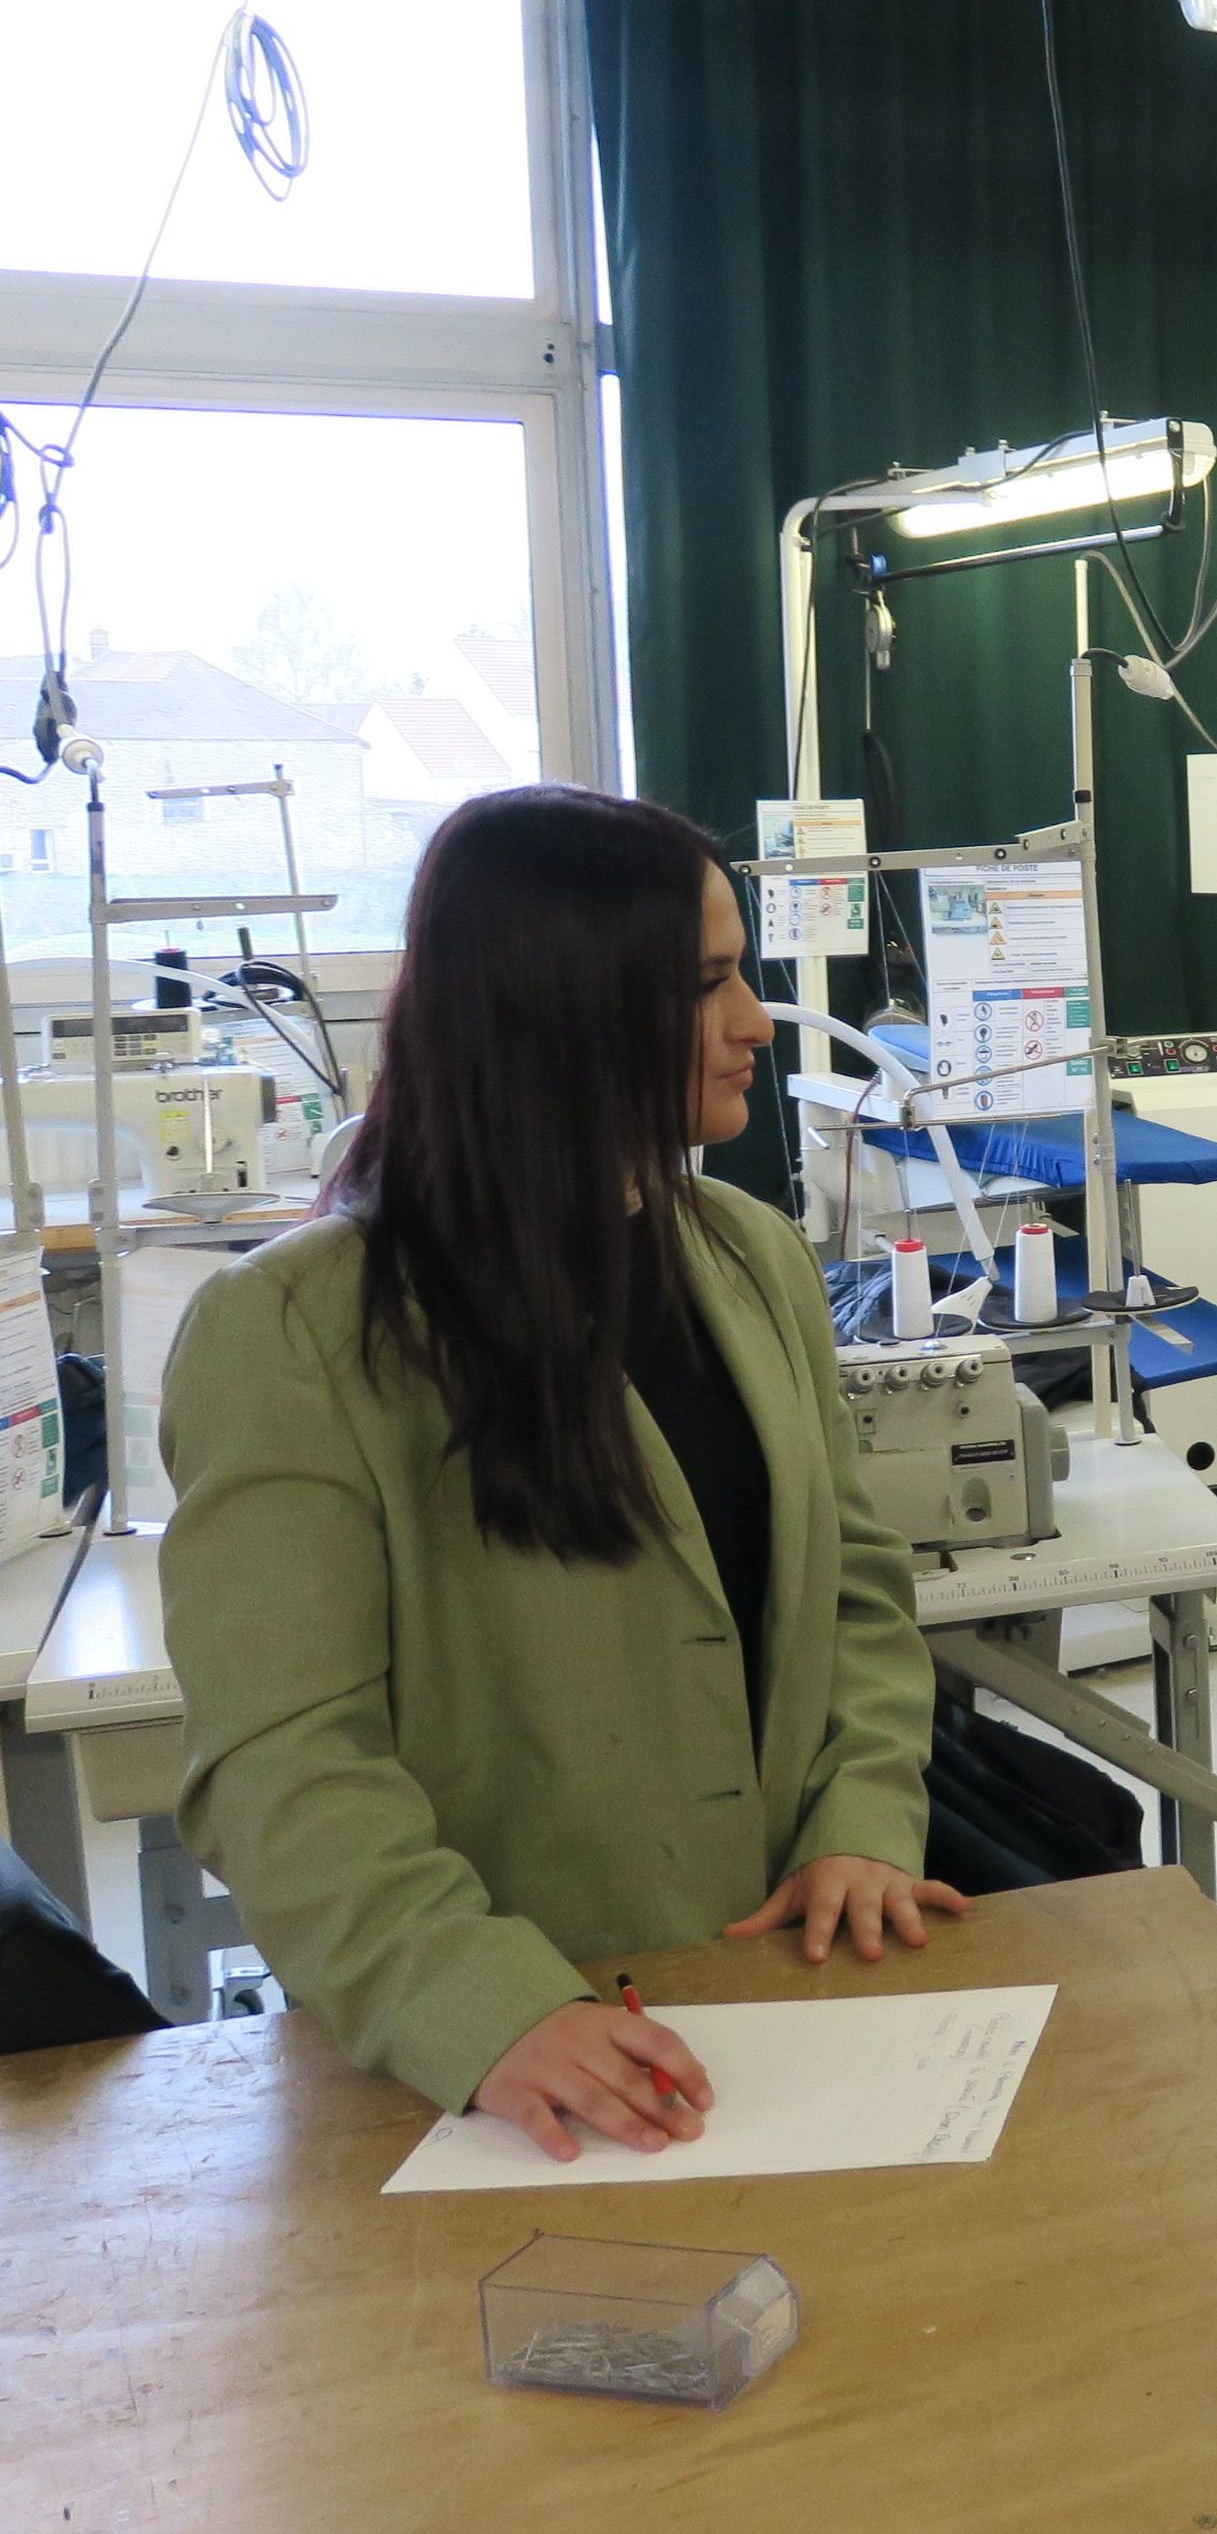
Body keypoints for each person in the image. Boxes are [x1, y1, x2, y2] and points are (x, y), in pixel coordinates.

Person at [160, 787, 961, 2161]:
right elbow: (284, 1763)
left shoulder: (752, 1256)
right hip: (519, 2066)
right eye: (706, 983)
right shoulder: (298, 1334)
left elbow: (858, 1593)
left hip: (781, 1990)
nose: (756, 1023)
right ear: (559, 1006)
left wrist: (865, 1820)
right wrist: (481, 2007)